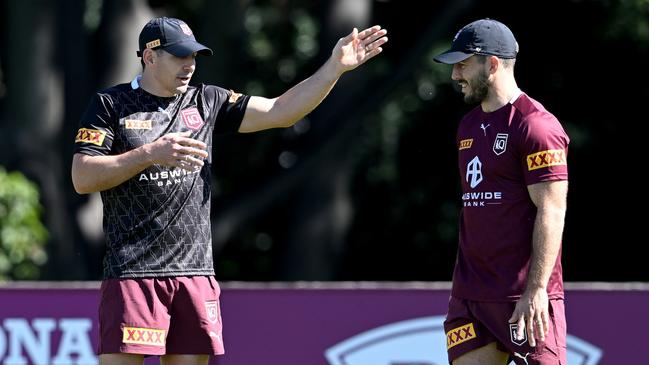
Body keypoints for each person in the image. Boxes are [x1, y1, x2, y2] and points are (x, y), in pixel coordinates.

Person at [71, 16, 387, 365]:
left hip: (194, 274)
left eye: (193, 57)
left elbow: (281, 111)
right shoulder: (110, 104)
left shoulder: (207, 101)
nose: (189, 65)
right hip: (132, 274)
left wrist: (334, 68)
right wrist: (150, 154)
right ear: (149, 56)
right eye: (179, 56)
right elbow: (83, 177)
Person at [433, 19, 569, 365]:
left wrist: (536, 290)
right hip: (470, 299)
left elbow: (551, 210)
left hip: (524, 299)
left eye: (462, 65)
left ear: (492, 63)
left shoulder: (536, 126)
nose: (455, 75)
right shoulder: (467, 125)